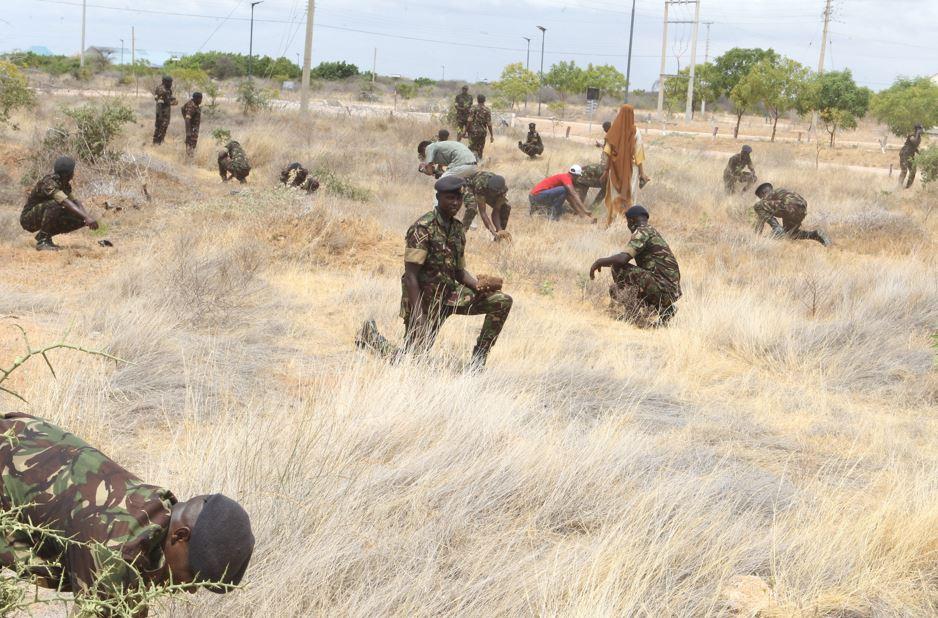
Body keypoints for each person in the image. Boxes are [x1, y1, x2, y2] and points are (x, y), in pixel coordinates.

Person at [0, 412, 254, 615]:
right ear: (180, 536)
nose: (189, 590)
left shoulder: (153, 506)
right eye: (193, 575)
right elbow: (112, 600)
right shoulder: (115, 548)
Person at [355, 176, 513, 367]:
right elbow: (411, 276)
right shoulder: (423, 228)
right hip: (424, 300)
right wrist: (418, 317)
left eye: (458, 198)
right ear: (438, 198)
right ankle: (370, 335)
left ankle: (477, 363)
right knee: (410, 361)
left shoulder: (457, 229)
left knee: (501, 301)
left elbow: (459, 271)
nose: (455, 203)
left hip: (450, 294)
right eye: (449, 198)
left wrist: (477, 285)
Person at [589, 205, 681, 326]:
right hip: (669, 291)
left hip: (662, 289)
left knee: (618, 268)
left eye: (628, 222)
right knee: (615, 289)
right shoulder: (651, 231)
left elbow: (623, 259)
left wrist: (599, 262)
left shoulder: (642, 231)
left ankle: (632, 315)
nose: (628, 226)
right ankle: (666, 309)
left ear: (632, 220)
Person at [20, 156, 98, 251]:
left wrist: (86, 217)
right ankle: (43, 242)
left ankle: (45, 237)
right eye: (72, 171)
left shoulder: (64, 184)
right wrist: (86, 217)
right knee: (56, 204)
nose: (73, 173)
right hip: (28, 219)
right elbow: (64, 202)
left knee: (80, 219)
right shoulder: (48, 182)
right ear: (67, 174)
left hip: (43, 214)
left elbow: (75, 202)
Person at [602, 105, 649, 226]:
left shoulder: (613, 130)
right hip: (631, 171)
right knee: (630, 195)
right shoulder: (635, 131)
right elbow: (638, 154)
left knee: (615, 195)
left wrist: (606, 170)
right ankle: (627, 223)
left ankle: (613, 223)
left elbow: (607, 152)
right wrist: (642, 173)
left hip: (615, 170)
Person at [753, 182, 830, 246]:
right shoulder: (782, 192)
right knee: (790, 233)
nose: (762, 198)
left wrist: (756, 236)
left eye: (761, 196)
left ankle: (777, 228)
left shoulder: (770, 194)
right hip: (801, 210)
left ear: (763, 193)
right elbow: (763, 216)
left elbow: (761, 216)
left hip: (789, 206)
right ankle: (815, 235)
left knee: (757, 206)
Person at [528, 165, 595, 222]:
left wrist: (582, 215)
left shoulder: (565, 178)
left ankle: (551, 213)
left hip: (536, 197)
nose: (578, 179)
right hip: (537, 196)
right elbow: (574, 194)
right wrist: (585, 209)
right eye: (578, 177)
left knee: (565, 193)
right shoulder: (566, 178)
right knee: (564, 189)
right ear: (576, 175)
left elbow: (571, 200)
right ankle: (553, 216)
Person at [463, 171, 511, 239]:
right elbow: (483, 212)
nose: (493, 195)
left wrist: (499, 230)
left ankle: (499, 237)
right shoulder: (481, 186)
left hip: (486, 190)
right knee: (472, 208)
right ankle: (461, 234)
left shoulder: (502, 191)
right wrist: (492, 232)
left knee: (505, 208)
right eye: (492, 191)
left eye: (495, 192)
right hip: (470, 186)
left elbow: (496, 211)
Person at [465, 94, 494, 160]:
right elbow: (489, 124)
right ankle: (479, 163)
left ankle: (471, 162)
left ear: (477, 100)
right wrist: (492, 135)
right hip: (483, 132)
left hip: (473, 132)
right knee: (480, 149)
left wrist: (465, 131)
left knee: (471, 148)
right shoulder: (487, 110)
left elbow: (469, 121)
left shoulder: (473, 108)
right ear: (484, 100)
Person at [152, 75, 178, 145]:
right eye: (169, 82)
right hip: (161, 112)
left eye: (171, 82)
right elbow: (160, 102)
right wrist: (172, 103)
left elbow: (168, 97)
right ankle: (156, 143)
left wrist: (172, 98)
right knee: (160, 127)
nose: (171, 84)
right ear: (164, 82)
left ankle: (160, 141)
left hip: (166, 112)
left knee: (164, 127)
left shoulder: (168, 89)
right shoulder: (161, 90)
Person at [898, 124, 924, 189]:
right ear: (917, 129)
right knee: (904, 171)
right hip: (905, 154)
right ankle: (899, 186)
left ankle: (907, 188)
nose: (922, 130)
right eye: (920, 129)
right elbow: (914, 142)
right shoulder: (912, 135)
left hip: (911, 155)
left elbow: (914, 147)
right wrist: (917, 133)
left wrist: (921, 154)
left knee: (913, 171)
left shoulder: (919, 137)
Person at [181, 92, 202, 157]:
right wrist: (188, 132)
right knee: (191, 144)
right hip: (191, 129)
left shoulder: (193, 104)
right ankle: (189, 158)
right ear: (196, 98)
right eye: (200, 99)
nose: (201, 100)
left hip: (193, 128)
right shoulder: (192, 106)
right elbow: (187, 119)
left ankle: (189, 157)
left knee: (191, 143)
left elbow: (182, 108)